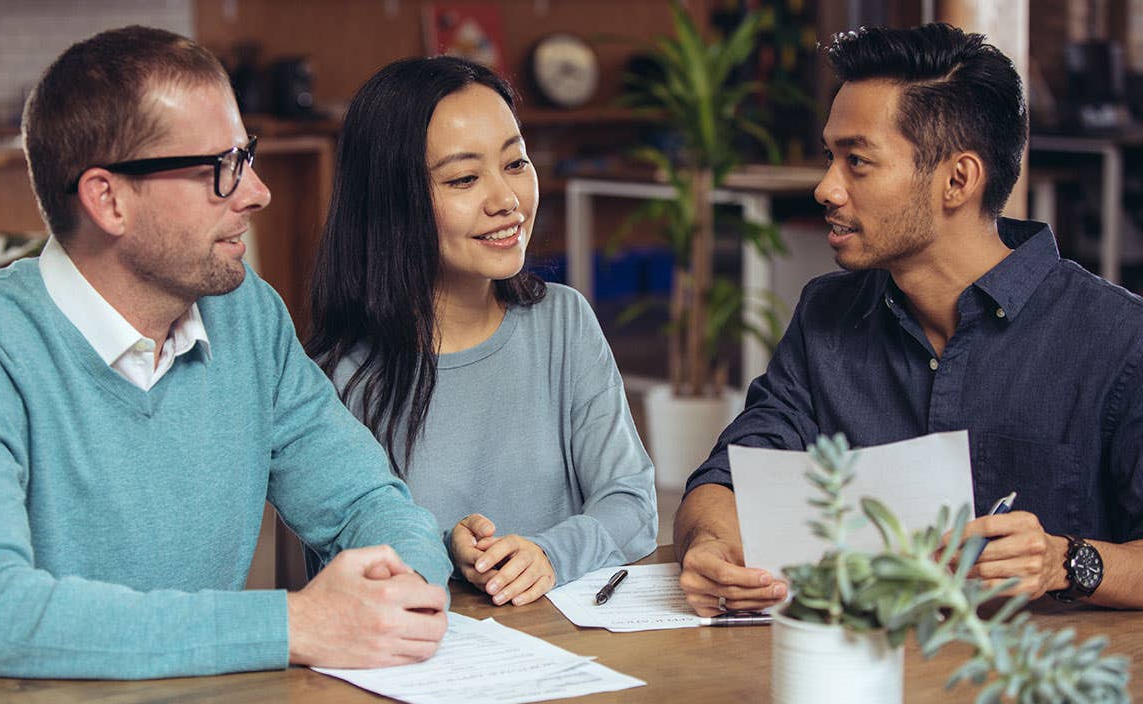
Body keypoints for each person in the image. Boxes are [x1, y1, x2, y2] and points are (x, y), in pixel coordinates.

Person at [0, 26, 452, 679]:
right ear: (108, 199)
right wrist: (294, 625)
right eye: (221, 169)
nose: (256, 192)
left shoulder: (250, 318)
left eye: (247, 154)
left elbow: (367, 502)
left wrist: (400, 588)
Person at [675, 23, 1143, 616]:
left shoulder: (1120, 338)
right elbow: (731, 475)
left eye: (858, 162)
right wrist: (711, 546)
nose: (825, 188)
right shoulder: (826, 314)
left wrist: (1064, 560)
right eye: (829, 157)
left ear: (958, 179)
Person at [306, 57, 657, 607]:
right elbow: (341, 563)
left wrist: (549, 553)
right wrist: (446, 548)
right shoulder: (337, 377)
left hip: (571, 645)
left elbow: (632, 503)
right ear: (392, 201)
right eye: (465, 178)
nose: (506, 201)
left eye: (515, 163)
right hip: (429, 659)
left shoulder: (563, 322)